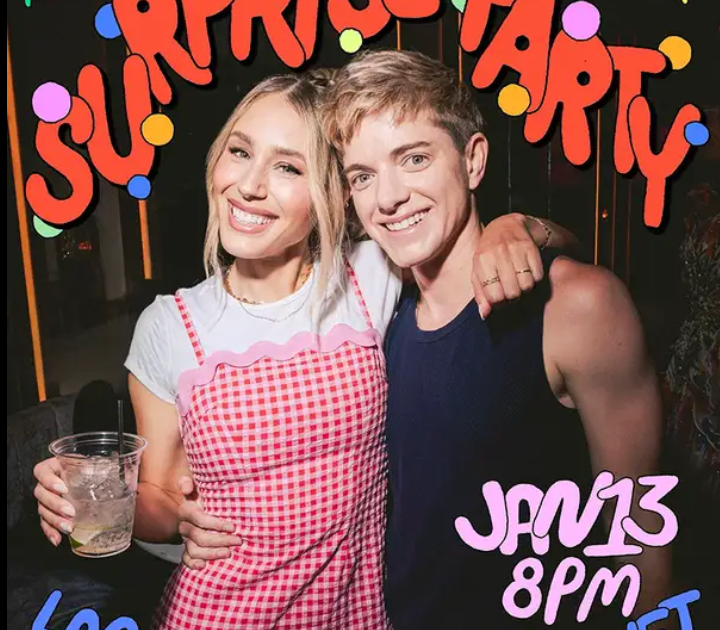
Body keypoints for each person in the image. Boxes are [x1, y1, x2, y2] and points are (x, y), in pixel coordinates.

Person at [32, 69, 574, 629]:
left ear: (331, 195)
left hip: (358, 615)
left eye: (288, 166)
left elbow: (529, 250)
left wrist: (518, 227)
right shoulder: (169, 325)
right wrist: (88, 497)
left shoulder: (372, 273)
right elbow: (165, 498)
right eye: (240, 152)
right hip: (221, 613)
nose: (249, 185)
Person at [321, 49, 674, 629]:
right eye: (363, 176)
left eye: (414, 159)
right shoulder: (373, 309)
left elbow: (641, 530)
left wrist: (526, 227)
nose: (387, 198)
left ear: (473, 160)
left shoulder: (577, 305)